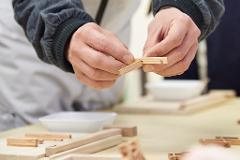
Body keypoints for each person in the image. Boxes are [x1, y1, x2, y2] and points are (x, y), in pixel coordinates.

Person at [0, 0, 224, 131]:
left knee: (103, 136)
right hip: (27, 56)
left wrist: (182, 7)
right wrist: (63, 31)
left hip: (109, 59)